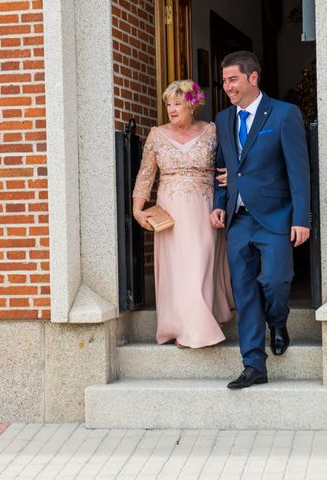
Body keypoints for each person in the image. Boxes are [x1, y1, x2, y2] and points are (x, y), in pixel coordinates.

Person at [210, 51, 311, 389]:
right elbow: (222, 169)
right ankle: (253, 365)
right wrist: (219, 202)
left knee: (276, 280)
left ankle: (278, 321)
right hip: (238, 221)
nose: (227, 87)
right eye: (224, 81)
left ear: (253, 78)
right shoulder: (223, 119)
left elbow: (299, 171)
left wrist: (301, 218)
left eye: (233, 79)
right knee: (245, 292)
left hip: (276, 217)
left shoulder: (284, 115)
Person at [132, 79, 234, 348]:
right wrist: (137, 209)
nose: (172, 109)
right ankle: (184, 326)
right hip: (171, 208)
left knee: (200, 262)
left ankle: (198, 325)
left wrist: (231, 178)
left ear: (193, 105)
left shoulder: (212, 131)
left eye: (178, 103)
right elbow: (146, 174)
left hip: (204, 208)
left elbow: (229, 162)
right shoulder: (157, 135)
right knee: (178, 268)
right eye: (168, 104)